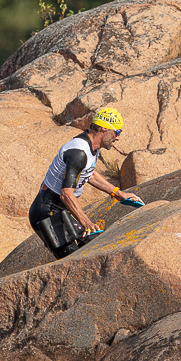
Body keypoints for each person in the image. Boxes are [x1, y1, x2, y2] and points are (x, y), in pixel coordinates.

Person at [28, 107, 144, 259]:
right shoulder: (79, 152)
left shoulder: (92, 147)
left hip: (58, 210)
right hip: (46, 213)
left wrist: (119, 194)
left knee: (94, 244)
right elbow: (66, 194)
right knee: (74, 260)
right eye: (117, 132)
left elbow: (90, 174)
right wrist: (86, 223)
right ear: (104, 129)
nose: (118, 138)